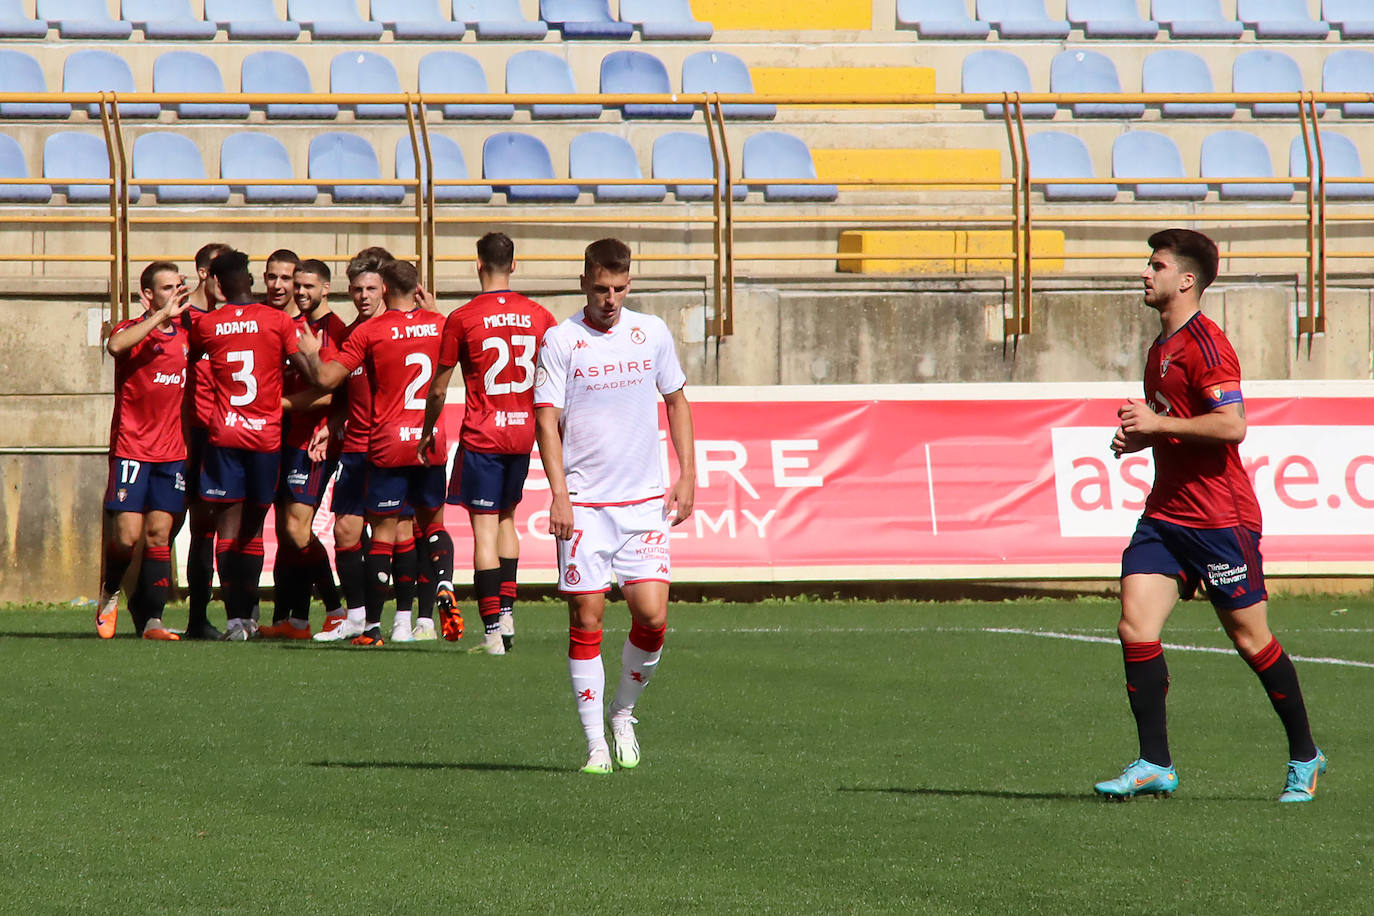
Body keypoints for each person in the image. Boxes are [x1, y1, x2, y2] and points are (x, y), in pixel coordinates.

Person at [1096, 228, 1325, 803]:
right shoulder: (1160, 348)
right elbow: (1178, 424)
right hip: (1166, 516)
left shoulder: (1208, 346)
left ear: (1186, 279)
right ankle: (1154, 763)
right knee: (1135, 626)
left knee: (1252, 641)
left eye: (1156, 265)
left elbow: (1232, 426)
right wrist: (1141, 439)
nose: (1145, 275)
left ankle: (1305, 754)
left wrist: (1156, 425)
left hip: (1220, 519)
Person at [534, 238, 696, 775]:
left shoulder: (650, 332)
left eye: (620, 289)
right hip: (584, 506)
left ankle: (623, 713)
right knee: (588, 616)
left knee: (652, 617)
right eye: (601, 289)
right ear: (584, 283)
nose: (610, 298)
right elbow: (546, 421)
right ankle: (594, 745)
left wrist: (687, 473)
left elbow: (676, 400)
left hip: (644, 504)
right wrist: (559, 493)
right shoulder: (561, 341)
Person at [305, 259, 456, 648]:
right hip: (411, 440)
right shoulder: (436, 325)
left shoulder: (372, 333)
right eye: (357, 289)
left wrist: (305, 352)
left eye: (371, 288)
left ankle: (395, 621)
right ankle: (373, 616)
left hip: (385, 443)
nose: (363, 295)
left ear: (384, 289)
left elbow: (326, 378)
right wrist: (332, 423)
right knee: (355, 530)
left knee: (395, 532)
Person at [418, 232, 556, 654]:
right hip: (523, 433)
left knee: (483, 533)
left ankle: (493, 631)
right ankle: (508, 613)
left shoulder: (462, 318)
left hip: (483, 434)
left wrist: (427, 429)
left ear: (477, 264)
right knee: (507, 521)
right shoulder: (540, 316)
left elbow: (439, 389)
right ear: (514, 266)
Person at [189, 250, 317, 641]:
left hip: (225, 435)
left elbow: (191, 363)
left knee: (226, 529)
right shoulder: (278, 320)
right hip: (265, 437)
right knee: (254, 531)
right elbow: (312, 373)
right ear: (248, 278)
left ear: (219, 284)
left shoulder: (208, 325)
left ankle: (235, 620)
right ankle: (249, 616)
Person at [98, 262, 192, 640]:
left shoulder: (186, 338)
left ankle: (152, 620)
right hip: (132, 449)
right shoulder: (130, 331)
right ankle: (110, 589)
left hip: (171, 453)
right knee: (126, 536)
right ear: (148, 296)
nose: (175, 294)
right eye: (167, 287)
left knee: (159, 532)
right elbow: (115, 346)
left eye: (178, 286)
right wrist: (159, 319)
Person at [261, 258, 349, 639]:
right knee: (285, 532)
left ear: (326, 288)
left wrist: (275, 405)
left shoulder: (335, 330)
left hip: (311, 443)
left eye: (307, 286)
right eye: (297, 285)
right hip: (281, 439)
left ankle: (336, 608)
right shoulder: (292, 326)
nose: (299, 292)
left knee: (298, 531)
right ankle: (291, 620)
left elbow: (332, 392)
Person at [181, 241, 232, 640]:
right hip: (187, 434)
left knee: (208, 527)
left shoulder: (234, 320)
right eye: (219, 272)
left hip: (224, 436)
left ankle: (202, 617)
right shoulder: (184, 318)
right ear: (203, 274)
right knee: (164, 525)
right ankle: (145, 613)